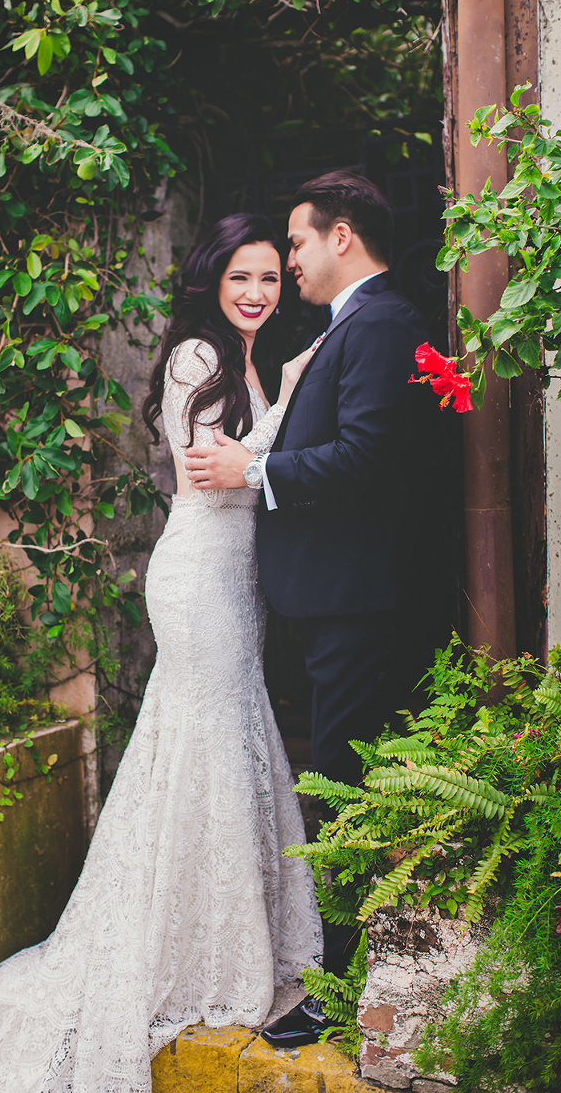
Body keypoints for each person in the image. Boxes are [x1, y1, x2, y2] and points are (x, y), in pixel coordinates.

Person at [0, 214, 321, 1093]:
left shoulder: (244, 359)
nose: (258, 294)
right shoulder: (197, 356)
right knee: (204, 742)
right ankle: (195, 948)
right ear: (212, 279)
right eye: (243, 278)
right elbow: (210, 468)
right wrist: (293, 393)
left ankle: (230, 930)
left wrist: (278, 389)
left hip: (240, 583)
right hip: (200, 580)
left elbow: (252, 462)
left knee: (221, 742)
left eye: (271, 280)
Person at [185, 170, 437, 1046]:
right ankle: (339, 966)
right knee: (336, 779)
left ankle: (340, 982)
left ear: (341, 237)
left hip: (356, 601)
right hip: (329, 600)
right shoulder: (352, 329)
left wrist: (256, 470)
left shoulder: (382, 323)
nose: (286, 263)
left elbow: (365, 457)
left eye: (294, 243)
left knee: (342, 786)